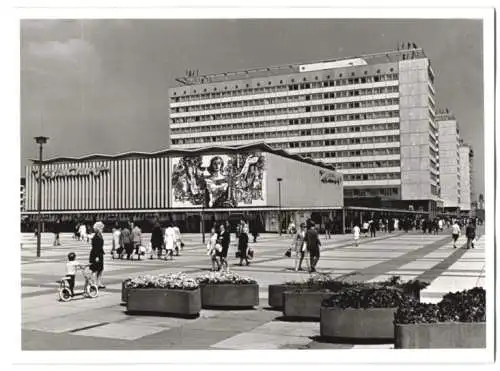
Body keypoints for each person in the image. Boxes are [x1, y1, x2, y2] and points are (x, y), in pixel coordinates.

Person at [89, 221, 105, 289]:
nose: (103, 229)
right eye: (102, 228)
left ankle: (99, 283)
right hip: (96, 255)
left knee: (100, 269)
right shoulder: (96, 236)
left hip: (99, 254)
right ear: (99, 228)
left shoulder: (99, 235)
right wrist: (97, 256)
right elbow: (95, 247)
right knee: (94, 269)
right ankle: (94, 283)